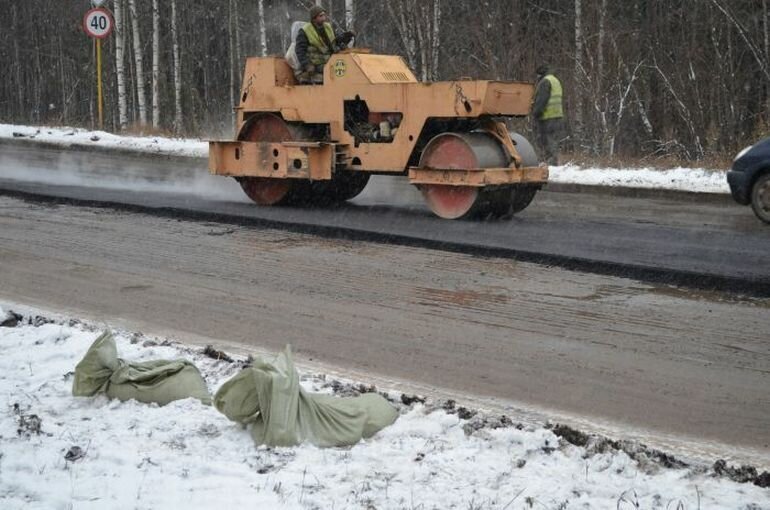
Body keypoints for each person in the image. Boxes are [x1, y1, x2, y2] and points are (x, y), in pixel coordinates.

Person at [294, 6, 355, 84]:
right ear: (314, 18)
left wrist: (347, 36)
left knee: (348, 67)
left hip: (329, 60)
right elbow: (300, 50)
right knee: (337, 72)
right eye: (321, 16)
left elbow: (336, 41)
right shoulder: (305, 31)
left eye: (324, 15)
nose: (324, 18)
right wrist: (307, 64)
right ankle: (307, 76)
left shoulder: (327, 27)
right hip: (316, 63)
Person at [532, 64, 564, 166]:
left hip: (547, 116)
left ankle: (551, 162)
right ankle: (553, 160)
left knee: (546, 139)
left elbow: (542, 100)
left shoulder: (545, 82)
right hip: (557, 115)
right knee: (553, 139)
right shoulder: (555, 80)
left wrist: (536, 113)